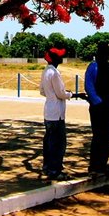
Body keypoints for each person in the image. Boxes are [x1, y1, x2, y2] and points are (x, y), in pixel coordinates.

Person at [84, 41, 109, 176]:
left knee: (106, 137)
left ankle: (102, 165)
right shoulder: (93, 67)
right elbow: (89, 87)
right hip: (99, 108)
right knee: (99, 136)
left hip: (108, 107)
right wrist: (98, 102)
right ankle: (95, 166)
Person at [39, 46, 73, 181]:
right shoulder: (54, 73)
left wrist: (51, 95)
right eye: (59, 56)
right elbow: (61, 93)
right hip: (57, 113)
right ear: (54, 58)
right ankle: (55, 170)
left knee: (48, 141)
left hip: (48, 111)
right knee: (58, 143)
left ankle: (47, 167)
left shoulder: (45, 71)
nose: (61, 58)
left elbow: (42, 91)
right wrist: (71, 94)